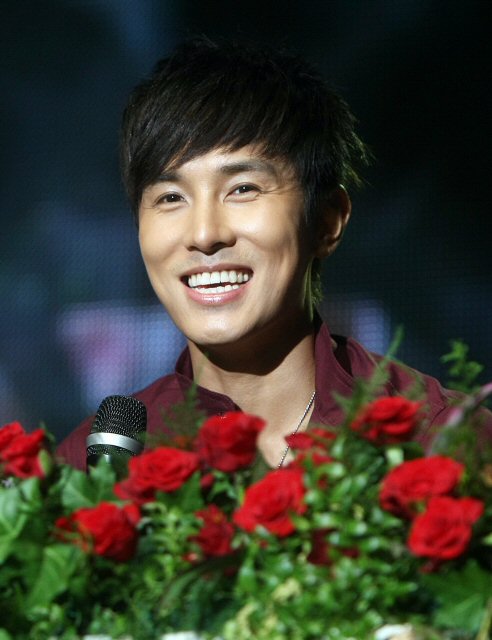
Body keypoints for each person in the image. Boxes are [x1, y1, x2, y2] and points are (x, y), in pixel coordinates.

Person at [57, 36, 491, 471]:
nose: (204, 234)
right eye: (171, 198)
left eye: (242, 189)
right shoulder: (97, 462)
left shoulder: (442, 443)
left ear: (327, 221)